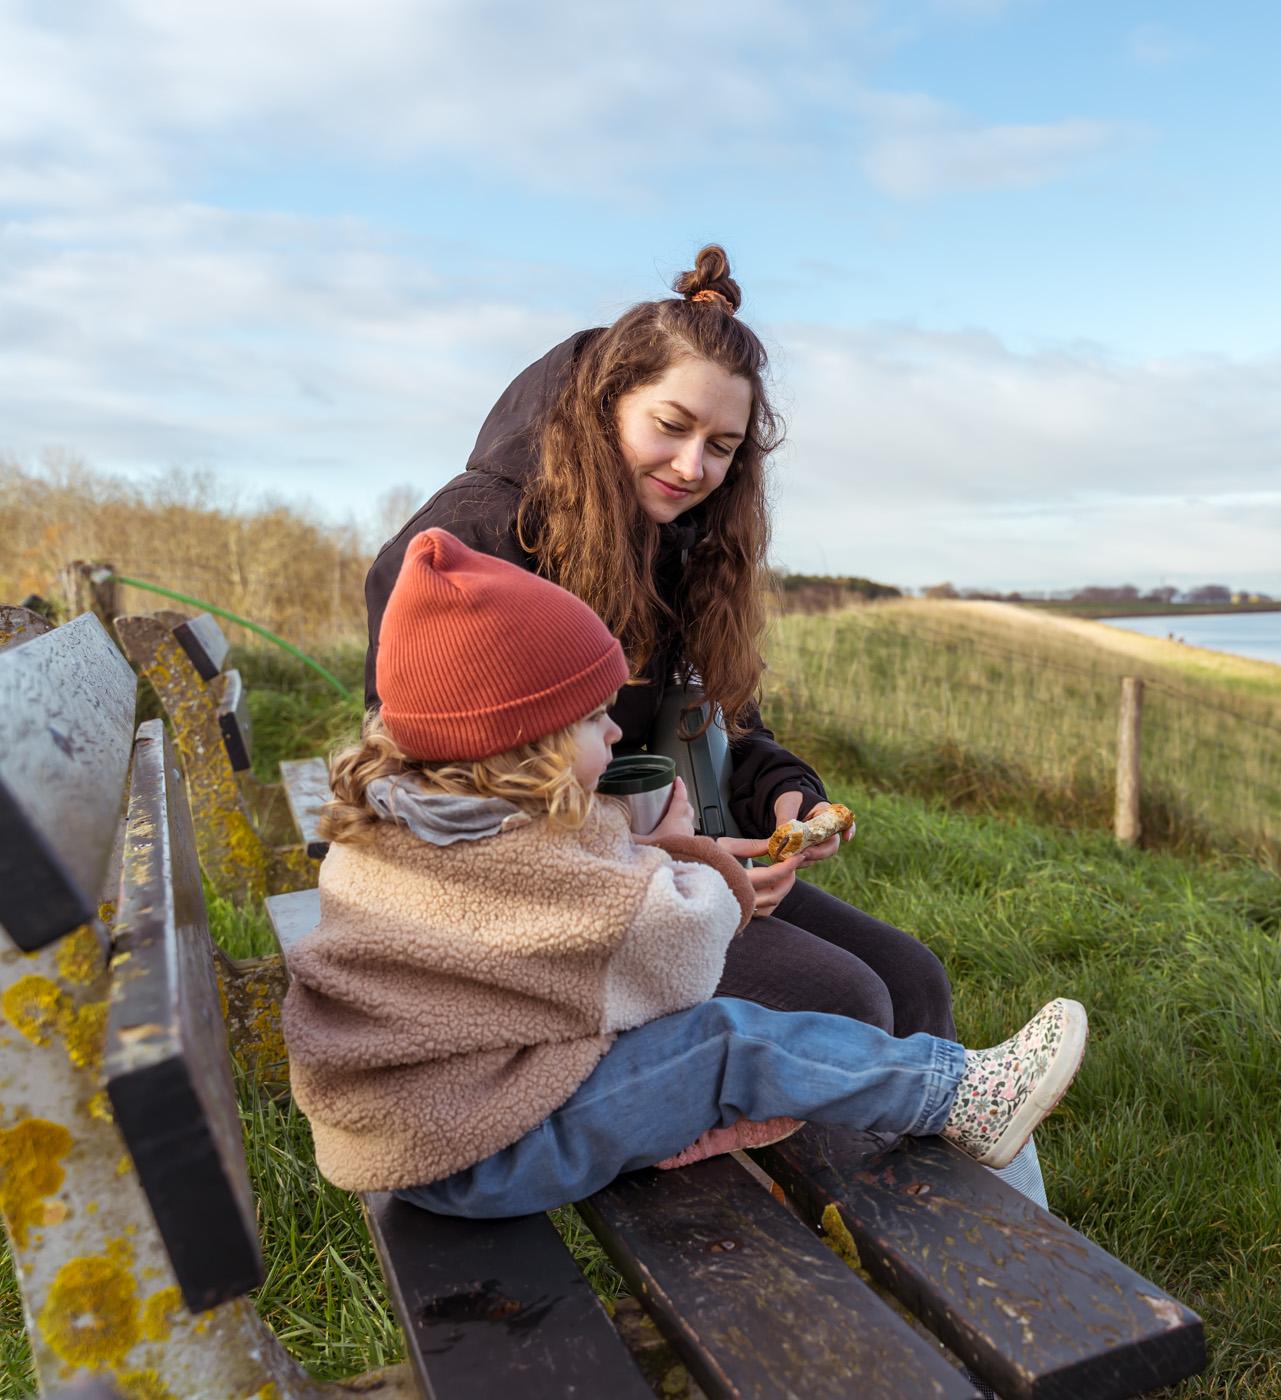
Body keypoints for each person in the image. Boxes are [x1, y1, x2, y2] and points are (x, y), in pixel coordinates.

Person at [363, 244, 1052, 1205]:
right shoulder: (475, 543)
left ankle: (959, 1247)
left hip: (670, 854)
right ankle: (826, 1252)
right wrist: (686, 863)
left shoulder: (690, 543)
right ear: (608, 402)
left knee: (914, 979)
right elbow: (445, 794)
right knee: (844, 998)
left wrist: (785, 797)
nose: (693, 467)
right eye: (671, 426)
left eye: (723, 448)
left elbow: (728, 724)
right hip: (546, 899)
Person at [284, 528, 1086, 1217]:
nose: (614, 730)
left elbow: (558, 925)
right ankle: (962, 1097)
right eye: (595, 717)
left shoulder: (412, 818)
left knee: (700, 1048)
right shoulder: (522, 857)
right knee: (724, 1039)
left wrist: (654, 850)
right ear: (527, 746)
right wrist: (687, 850)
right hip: (475, 1155)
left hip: (419, 1123)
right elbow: (682, 958)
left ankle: (705, 1124)